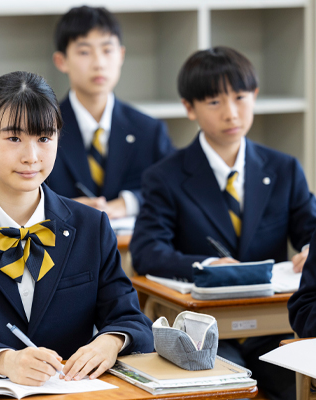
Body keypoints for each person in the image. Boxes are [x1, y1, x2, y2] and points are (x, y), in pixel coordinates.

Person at [0, 71, 153, 387]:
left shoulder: (91, 226)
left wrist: (109, 342)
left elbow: (130, 319)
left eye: (44, 138)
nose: (31, 156)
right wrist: (4, 360)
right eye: (14, 138)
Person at [130, 46, 316, 400]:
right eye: (214, 102)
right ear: (189, 108)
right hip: (204, 335)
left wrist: (310, 249)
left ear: (255, 96)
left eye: (241, 97)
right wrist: (211, 266)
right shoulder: (165, 176)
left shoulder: (284, 169)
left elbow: (311, 226)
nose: (231, 113)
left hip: (273, 328)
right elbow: (147, 251)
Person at [47, 5, 173, 219]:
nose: (99, 63)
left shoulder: (149, 131)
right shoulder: (42, 129)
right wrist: (57, 207)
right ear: (62, 61)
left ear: (121, 55)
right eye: (84, 52)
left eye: (107, 50)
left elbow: (175, 187)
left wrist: (128, 203)